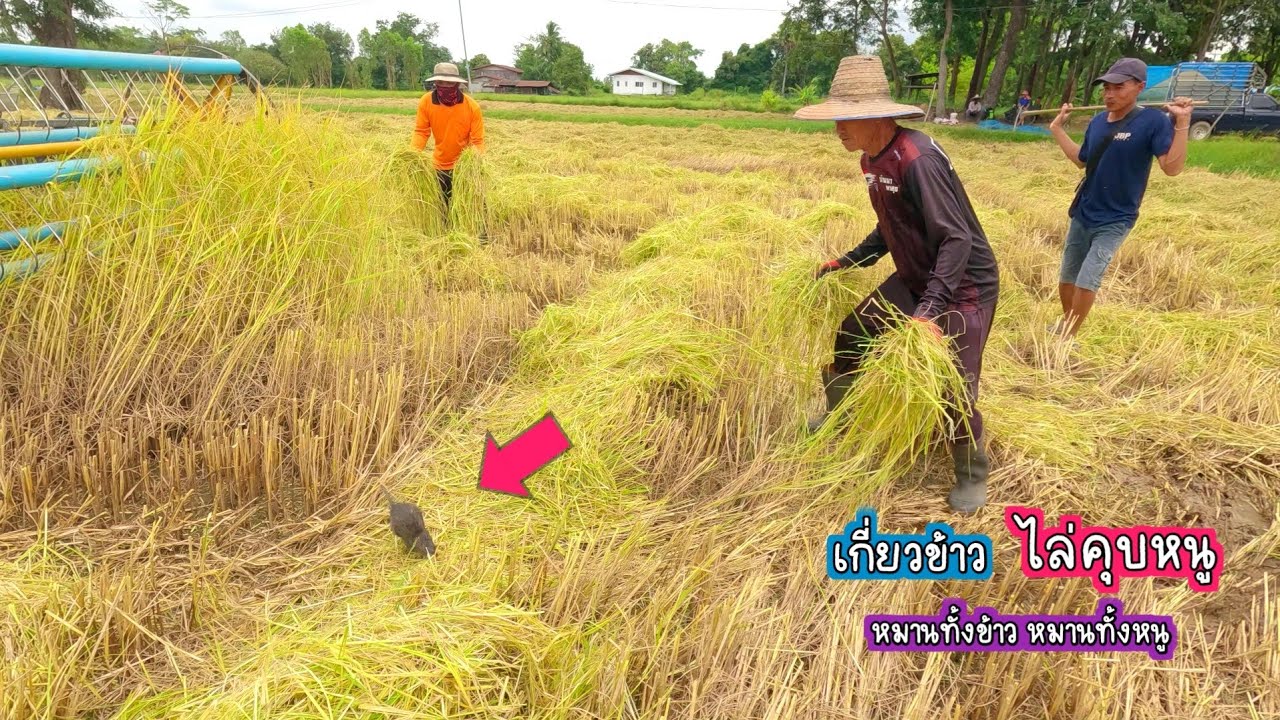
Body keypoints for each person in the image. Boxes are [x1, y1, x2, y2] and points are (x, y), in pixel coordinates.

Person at [796, 55, 1001, 514]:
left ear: (878, 116)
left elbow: (956, 238)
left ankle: (971, 472)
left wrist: (928, 313)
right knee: (853, 334)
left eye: (846, 119)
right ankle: (839, 414)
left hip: (962, 285)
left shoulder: (918, 159)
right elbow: (892, 225)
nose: (838, 129)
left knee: (952, 385)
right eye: (836, 120)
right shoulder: (872, 159)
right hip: (917, 274)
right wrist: (845, 261)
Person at [1047, 57, 1193, 339]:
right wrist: (1057, 129)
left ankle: (1068, 338)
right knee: (1068, 276)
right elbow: (1081, 160)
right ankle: (1067, 323)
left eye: (1118, 87)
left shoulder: (1153, 121)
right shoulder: (1097, 122)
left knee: (1088, 278)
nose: (1109, 94)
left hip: (1116, 218)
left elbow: (1172, 168)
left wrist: (1183, 122)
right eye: (1106, 88)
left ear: (1140, 87)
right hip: (1084, 210)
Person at [410, 62, 485, 219]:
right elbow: (421, 132)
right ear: (435, 83)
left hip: (464, 166)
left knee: (473, 209)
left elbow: (477, 141)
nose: (445, 86)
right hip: (439, 166)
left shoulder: (472, 107)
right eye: (441, 82)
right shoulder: (426, 102)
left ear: (457, 84)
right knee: (443, 209)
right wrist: (412, 156)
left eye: (449, 83)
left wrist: (474, 164)